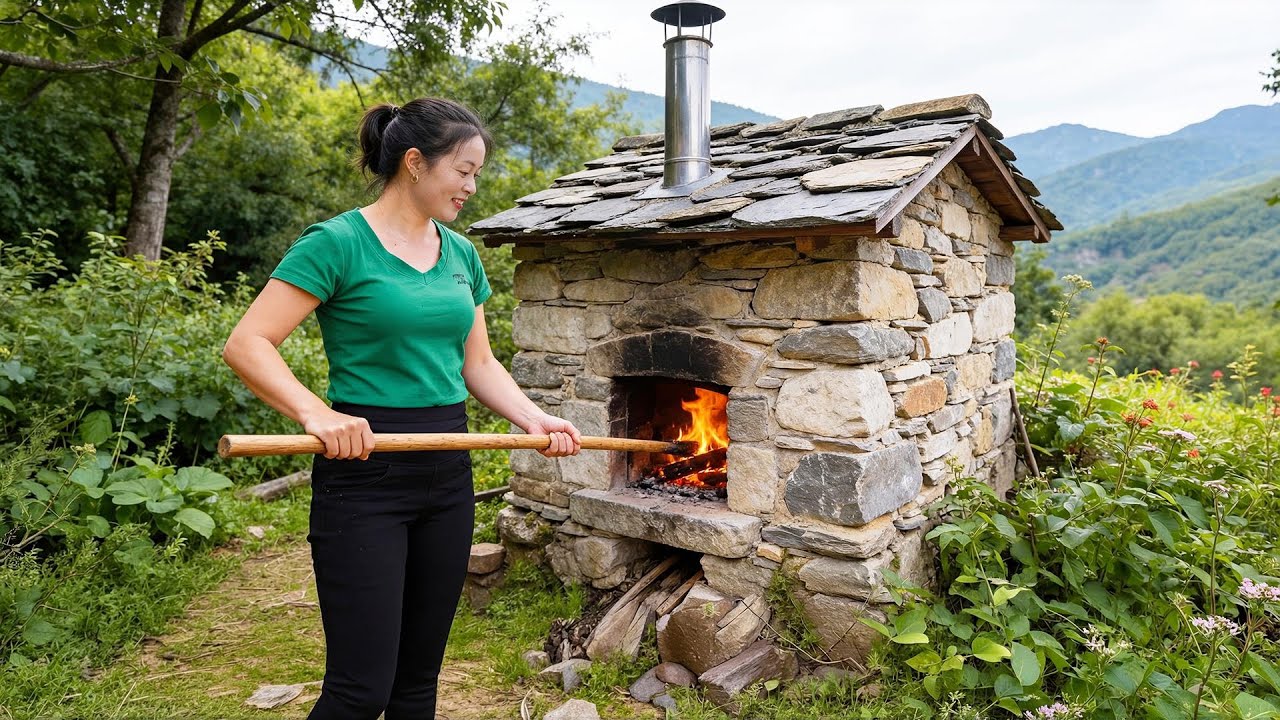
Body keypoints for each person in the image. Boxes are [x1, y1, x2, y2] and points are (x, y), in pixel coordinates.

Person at [222, 97, 582, 720]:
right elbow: (248, 343)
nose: (472, 186)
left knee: (417, 685)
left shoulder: (461, 255)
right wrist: (316, 414)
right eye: (463, 170)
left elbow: (479, 365)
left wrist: (531, 417)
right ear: (415, 162)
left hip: (447, 469)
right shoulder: (337, 243)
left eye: (477, 173)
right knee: (361, 690)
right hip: (364, 473)